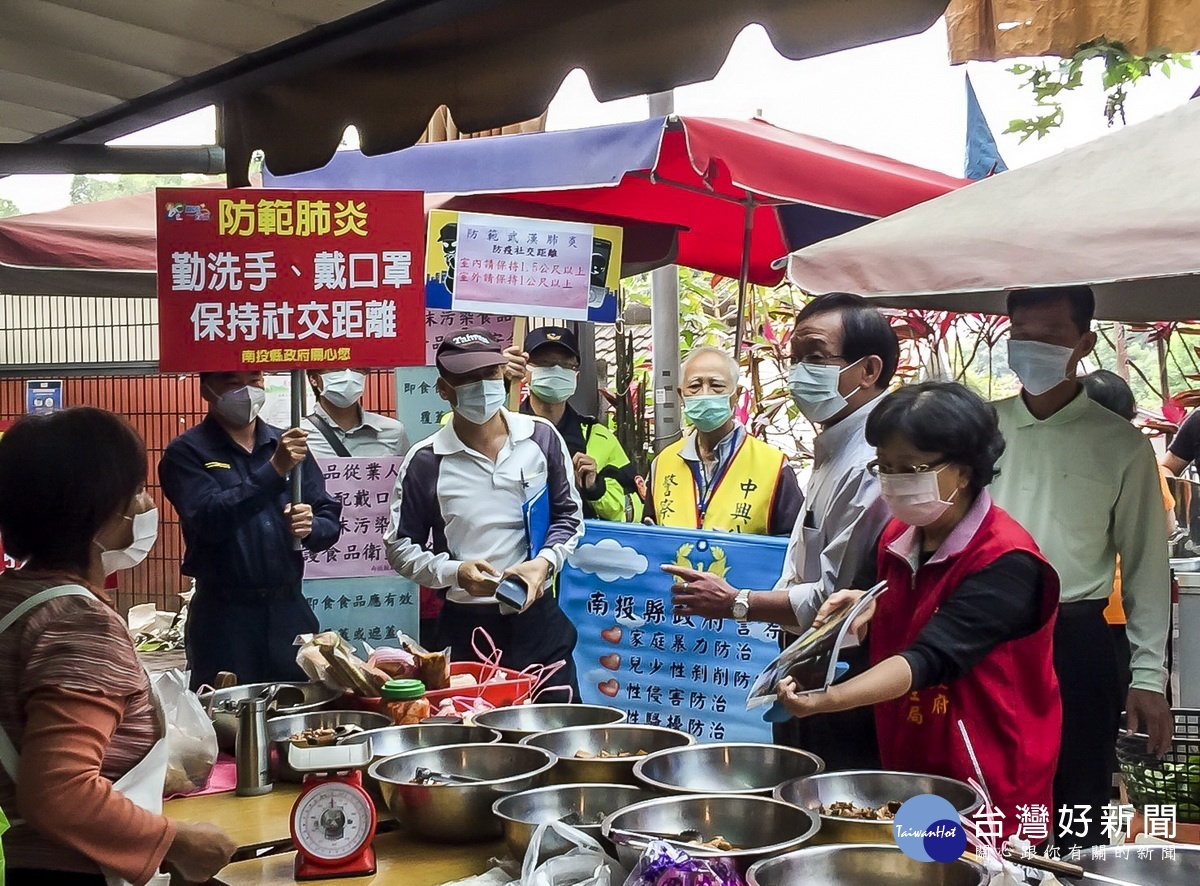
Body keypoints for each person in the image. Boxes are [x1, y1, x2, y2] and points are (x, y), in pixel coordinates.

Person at [776, 382, 1062, 837]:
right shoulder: (895, 536)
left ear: (964, 471)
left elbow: (930, 658)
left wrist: (826, 702)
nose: (892, 482)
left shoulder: (1008, 561)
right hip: (911, 762)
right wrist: (863, 605)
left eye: (910, 468)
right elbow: (898, 608)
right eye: (884, 467)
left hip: (988, 775)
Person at [0, 407, 236, 885]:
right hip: (75, 869)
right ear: (100, 508)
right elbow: (59, 790)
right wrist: (175, 843)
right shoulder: (78, 623)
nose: (145, 504)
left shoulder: (14, 596)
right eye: (135, 491)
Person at [665, 293, 898, 768]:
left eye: (814, 357)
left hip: (843, 669)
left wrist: (738, 602)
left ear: (869, 370)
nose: (797, 374)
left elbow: (840, 593)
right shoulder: (836, 445)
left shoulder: (870, 459)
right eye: (794, 359)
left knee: (833, 790)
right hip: (802, 659)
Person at [991, 286, 1171, 850]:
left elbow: (1144, 565)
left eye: (1049, 337)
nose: (1032, 349)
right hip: (981, 632)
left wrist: (1148, 677)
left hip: (1075, 640)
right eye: (1022, 336)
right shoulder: (978, 431)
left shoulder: (1119, 445)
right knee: (980, 786)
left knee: (1077, 797)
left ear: (1084, 343)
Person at [384, 328, 585, 697]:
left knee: (556, 734)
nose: (482, 386)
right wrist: (454, 572)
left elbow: (568, 517)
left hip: (539, 621)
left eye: (489, 374)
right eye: (467, 379)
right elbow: (399, 546)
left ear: (504, 377)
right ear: (445, 390)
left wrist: (542, 565)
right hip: (466, 630)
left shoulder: (540, 438)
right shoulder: (427, 460)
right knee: (480, 745)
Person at [159, 371, 342, 690]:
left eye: (254, 380)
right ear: (207, 390)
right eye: (232, 382)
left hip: (289, 608)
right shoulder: (187, 452)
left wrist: (311, 526)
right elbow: (209, 517)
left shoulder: (287, 444)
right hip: (224, 615)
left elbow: (328, 517)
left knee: (299, 706)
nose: (246, 390)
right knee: (226, 717)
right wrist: (273, 470)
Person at [1079, 370, 1176, 703]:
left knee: (1088, 704)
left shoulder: (1068, 454)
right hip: (1130, 608)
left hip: (1080, 612)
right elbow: (1165, 526)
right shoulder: (1135, 453)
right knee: (1131, 704)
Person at [645, 345, 802, 535]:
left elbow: (796, 547)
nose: (705, 394)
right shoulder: (663, 463)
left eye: (716, 385)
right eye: (695, 386)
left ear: (735, 395)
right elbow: (649, 529)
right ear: (681, 395)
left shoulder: (774, 465)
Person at [503, 325, 643, 521]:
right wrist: (496, 381)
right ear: (526, 371)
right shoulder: (502, 427)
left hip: (580, 546)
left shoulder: (598, 436)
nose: (556, 369)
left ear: (575, 376)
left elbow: (634, 511)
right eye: (545, 362)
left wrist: (595, 488)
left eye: (566, 364)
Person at [302, 368, 409, 459]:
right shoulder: (297, 433)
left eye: (356, 368)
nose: (348, 376)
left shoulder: (394, 431)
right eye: (337, 369)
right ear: (314, 378)